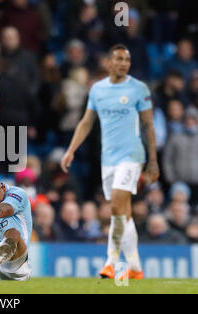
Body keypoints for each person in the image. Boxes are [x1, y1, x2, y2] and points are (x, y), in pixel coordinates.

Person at [61, 44, 160, 280]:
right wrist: (71, 150)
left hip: (132, 156)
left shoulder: (138, 89)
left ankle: (111, 263)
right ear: (109, 62)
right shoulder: (97, 89)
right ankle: (135, 268)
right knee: (123, 213)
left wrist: (153, 161)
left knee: (116, 205)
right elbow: (86, 122)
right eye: (119, 59)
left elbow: (148, 125)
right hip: (108, 159)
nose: (124, 63)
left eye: (127, 59)